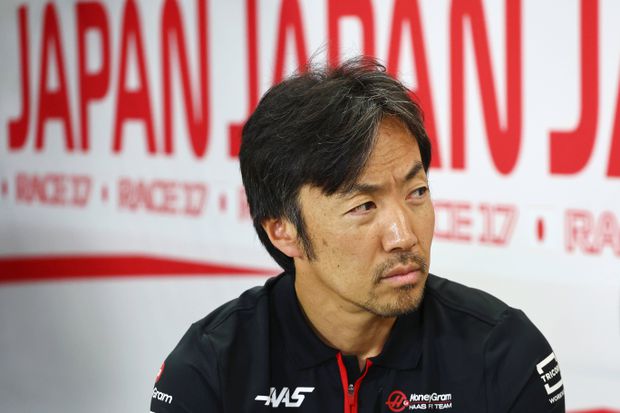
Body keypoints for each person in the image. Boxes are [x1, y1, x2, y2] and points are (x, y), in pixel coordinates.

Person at [150, 57, 565, 413]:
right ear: (282, 230)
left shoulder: (503, 353)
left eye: (417, 192)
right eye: (364, 206)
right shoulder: (212, 368)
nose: (403, 236)